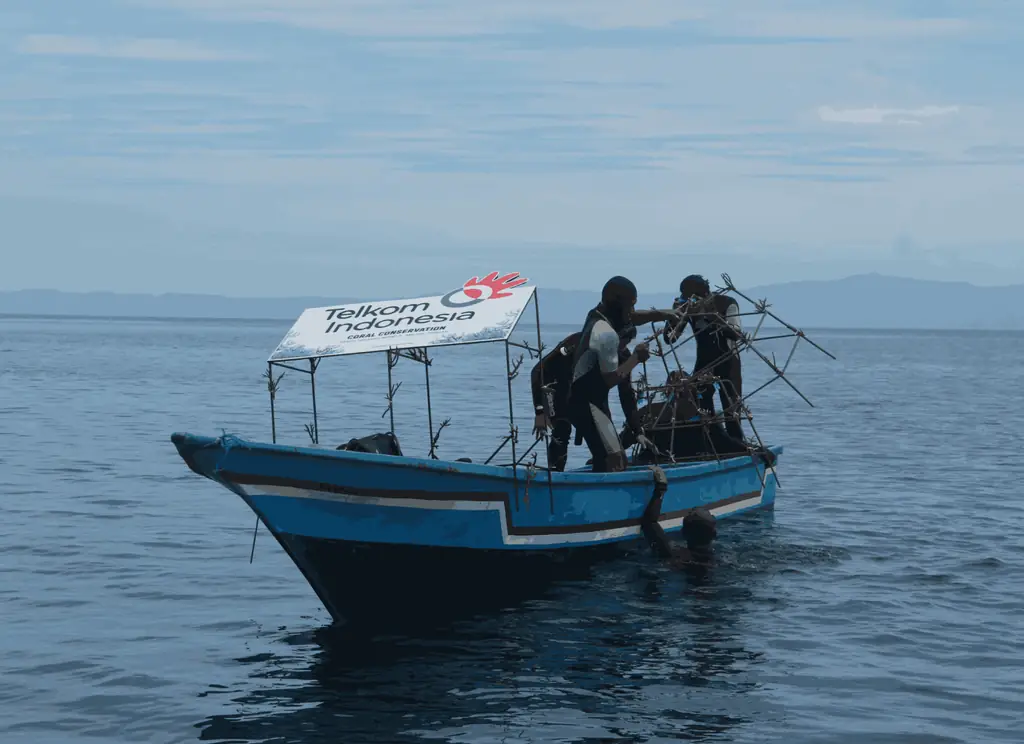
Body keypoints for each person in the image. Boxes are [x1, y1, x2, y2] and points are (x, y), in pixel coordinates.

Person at [566, 276, 680, 472]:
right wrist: (636, 358)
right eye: (630, 306)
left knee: (615, 458)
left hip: (593, 401)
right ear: (618, 304)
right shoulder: (606, 334)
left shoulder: (597, 314)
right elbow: (609, 380)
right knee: (614, 459)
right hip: (584, 404)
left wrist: (663, 314)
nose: (632, 313)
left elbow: (631, 318)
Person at [531, 328, 640, 471]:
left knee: (606, 447)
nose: (616, 349)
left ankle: (600, 477)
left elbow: (626, 394)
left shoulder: (623, 357)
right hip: (561, 389)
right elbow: (539, 370)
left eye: (623, 345)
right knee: (562, 429)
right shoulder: (577, 342)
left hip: (593, 397)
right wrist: (539, 411)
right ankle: (555, 474)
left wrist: (637, 430)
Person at [664, 274, 747, 441]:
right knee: (702, 407)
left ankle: (736, 444)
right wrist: (674, 316)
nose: (687, 300)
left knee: (731, 409)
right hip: (704, 362)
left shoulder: (727, 303)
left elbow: (737, 334)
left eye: (688, 296)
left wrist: (711, 316)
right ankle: (710, 442)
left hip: (728, 360)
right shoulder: (689, 310)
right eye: (684, 297)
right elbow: (670, 338)